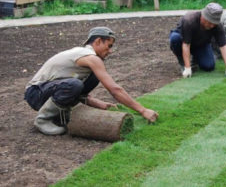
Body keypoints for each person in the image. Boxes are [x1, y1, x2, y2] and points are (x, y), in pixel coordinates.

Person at [24, 27, 159, 135]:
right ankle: (43, 120)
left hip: (46, 91)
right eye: (109, 46)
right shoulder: (90, 57)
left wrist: (95, 102)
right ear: (98, 41)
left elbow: (72, 86)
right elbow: (114, 89)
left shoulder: (85, 56)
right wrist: (142, 110)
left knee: (92, 78)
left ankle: (60, 115)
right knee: (74, 84)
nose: (110, 51)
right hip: (35, 93)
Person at [169, 2, 226, 78]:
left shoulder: (217, 26)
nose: (212, 25)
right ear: (204, 17)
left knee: (209, 66)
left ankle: (195, 60)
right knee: (175, 38)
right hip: (183, 41)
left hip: (201, 43)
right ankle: (183, 63)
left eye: (214, 23)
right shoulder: (189, 20)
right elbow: (186, 44)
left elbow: (223, 46)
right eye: (210, 22)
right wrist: (187, 68)